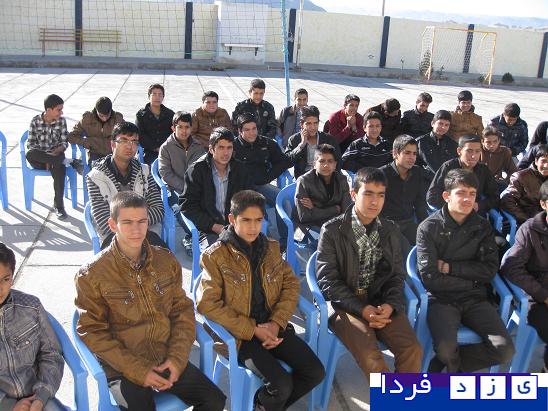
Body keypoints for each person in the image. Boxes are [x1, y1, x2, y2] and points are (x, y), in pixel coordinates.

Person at [75, 192, 226, 411]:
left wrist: (177, 358)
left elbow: (182, 311)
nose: (136, 229)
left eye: (142, 221)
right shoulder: (92, 274)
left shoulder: (165, 260)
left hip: (164, 355)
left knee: (214, 400)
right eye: (127, 222)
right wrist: (139, 370)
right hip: (123, 366)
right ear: (113, 225)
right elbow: (92, 331)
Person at [197, 190, 325, 410]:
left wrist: (276, 323)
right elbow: (207, 304)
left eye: (258, 220)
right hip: (240, 336)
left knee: (315, 372)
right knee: (281, 385)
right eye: (246, 220)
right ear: (232, 219)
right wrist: (253, 330)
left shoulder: (270, 248)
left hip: (272, 327)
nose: (253, 227)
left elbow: (291, 284)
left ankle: (261, 406)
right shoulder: (215, 256)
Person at [316, 167, 423, 377]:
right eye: (368, 194)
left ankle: (402, 395)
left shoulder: (389, 230)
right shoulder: (332, 230)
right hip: (344, 305)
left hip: (379, 302)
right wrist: (362, 309)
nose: (375, 202)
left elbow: (396, 275)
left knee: (412, 349)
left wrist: (390, 305)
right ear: (353, 194)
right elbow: (328, 280)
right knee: (370, 356)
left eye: (381, 195)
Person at [416, 169, 515, 372]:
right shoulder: (428, 228)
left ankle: (447, 366)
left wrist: (451, 267)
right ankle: (447, 363)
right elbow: (430, 278)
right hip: (441, 299)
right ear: (447, 196)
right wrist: (472, 280)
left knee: (505, 350)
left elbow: (489, 270)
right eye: (461, 193)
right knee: (445, 349)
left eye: (472, 194)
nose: (468, 199)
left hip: (474, 298)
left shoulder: (482, 226)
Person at [0, 242, 65, 411]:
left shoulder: (31, 307)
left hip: (35, 398)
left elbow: (51, 354)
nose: (0, 288)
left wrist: (41, 396)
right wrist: (8, 405)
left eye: (6, 279)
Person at [87, 121, 165, 249]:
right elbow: (102, 219)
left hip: (145, 232)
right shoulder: (96, 177)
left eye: (134, 142)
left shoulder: (144, 171)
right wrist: (133, 226)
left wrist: (136, 226)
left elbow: (158, 209)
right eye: (124, 141)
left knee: (162, 258)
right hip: (113, 235)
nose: (130, 146)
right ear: (113, 144)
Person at [501, 180, 548, 372]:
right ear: (543, 204)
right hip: (538, 299)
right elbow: (511, 266)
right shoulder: (530, 230)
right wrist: (543, 295)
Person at [180, 127, 252, 249]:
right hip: (207, 229)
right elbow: (187, 206)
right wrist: (214, 226)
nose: (226, 153)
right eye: (221, 147)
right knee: (219, 254)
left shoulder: (240, 170)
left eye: (229, 148)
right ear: (211, 149)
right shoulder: (196, 170)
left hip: (236, 226)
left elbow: (249, 200)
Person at [233, 113, 292, 249]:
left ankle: (285, 243)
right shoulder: (233, 147)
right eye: (247, 130)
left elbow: (284, 162)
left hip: (261, 185)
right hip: (241, 189)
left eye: (254, 128)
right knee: (258, 213)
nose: (251, 133)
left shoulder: (266, 143)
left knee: (284, 200)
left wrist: (268, 176)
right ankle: (260, 243)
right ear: (239, 131)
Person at [26, 94, 83, 220]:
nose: (61, 112)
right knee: (29, 154)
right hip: (40, 159)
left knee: (58, 168)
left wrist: (60, 149)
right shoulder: (35, 121)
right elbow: (30, 144)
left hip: (56, 156)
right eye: (59, 110)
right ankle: (69, 161)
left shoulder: (61, 121)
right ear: (49, 110)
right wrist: (46, 155)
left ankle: (59, 207)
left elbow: (64, 142)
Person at [427, 135, 499, 215]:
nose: (474, 156)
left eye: (477, 151)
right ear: (459, 151)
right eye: (469, 151)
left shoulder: (483, 170)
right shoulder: (448, 167)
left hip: (473, 214)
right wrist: (454, 208)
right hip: (450, 213)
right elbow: (432, 197)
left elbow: (495, 196)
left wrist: (479, 205)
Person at [158, 111, 206, 229]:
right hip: (176, 190)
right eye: (180, 127)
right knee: (185, 215)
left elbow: (204, 169)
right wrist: (185, 187)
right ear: (173, 128)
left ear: (191, 128)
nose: (184, 131)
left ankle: (203, 234)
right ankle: (192, 234)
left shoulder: (198, 146)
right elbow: (165, 173)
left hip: (197, 189)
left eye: (187, 127)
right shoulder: (166, 147)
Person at [379, 135, 428, 248]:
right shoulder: (381, 174)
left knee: (430, 244)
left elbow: (420, 205)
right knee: (403, 250)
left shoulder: (417, 173)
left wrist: (426, 227)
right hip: (387, 226)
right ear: (395, 153)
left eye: (414, 154)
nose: (412, 157)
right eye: (407, 153)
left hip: (408, 224)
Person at [295, 144, 352, 231]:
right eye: (322, 161)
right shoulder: (304, 181)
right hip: (311, 227)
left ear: (335, 165)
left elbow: (346, 211)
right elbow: (304, 216)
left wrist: (314, 209)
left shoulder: (342, 180)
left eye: (330, 161)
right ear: (314, 164)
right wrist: (335, 209)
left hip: (336, 224)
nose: (326, 165)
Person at [285, 105, 341, 180]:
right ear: (301, 124)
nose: (313, 127)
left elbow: (338, 161)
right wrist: (301, 145)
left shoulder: (328, 139)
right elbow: (287, 162)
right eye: (308, 124)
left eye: (315, 123)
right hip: (304, 178)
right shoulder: (294, 140)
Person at [68, 96, 124, 166]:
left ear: (111, 111)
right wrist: (88, 142)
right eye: (101, 116)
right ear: (96, 110)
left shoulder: (118, 119)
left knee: (119, 169)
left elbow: (127, 136)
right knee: (97, 170)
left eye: (107, 115)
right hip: (95, 154)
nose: (104, 119)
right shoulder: (87, 119)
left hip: (114, 153)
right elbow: (71, 136)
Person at [501, 144, 548, 224]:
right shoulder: (521, 177)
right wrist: (527, 220)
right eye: (543, 161)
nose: (546, 165)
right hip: (531, 221)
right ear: (536, 161)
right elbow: (507, 201)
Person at [135, 83, 175, 165]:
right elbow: (140, 135)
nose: (157, 97)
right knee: (156, 165)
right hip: (149, 151)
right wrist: (155, 148)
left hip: (168, 150)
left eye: (160, 95)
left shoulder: (170, 114)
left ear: (163, 97)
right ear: (149, 96)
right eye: (154, 94)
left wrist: (165, 147)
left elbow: (174, 133)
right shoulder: (141, 115)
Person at [416, 110, 458, 186]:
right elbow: (414, 165)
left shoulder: (453, 144)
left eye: (446, 125)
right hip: (424, 182)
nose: (443, 127)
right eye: (440, 124)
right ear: (433, 123)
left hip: (446, 183)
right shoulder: (420, 142)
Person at [480, 126, 517, 192]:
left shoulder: (504, 151)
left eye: (495, 141)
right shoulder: (478, 150)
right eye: (488, 142)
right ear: (482, 141)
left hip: (496, 183)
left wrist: (505, 180)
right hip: (479, 183)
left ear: (499, 141)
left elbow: (512, 171)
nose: (492, 145)